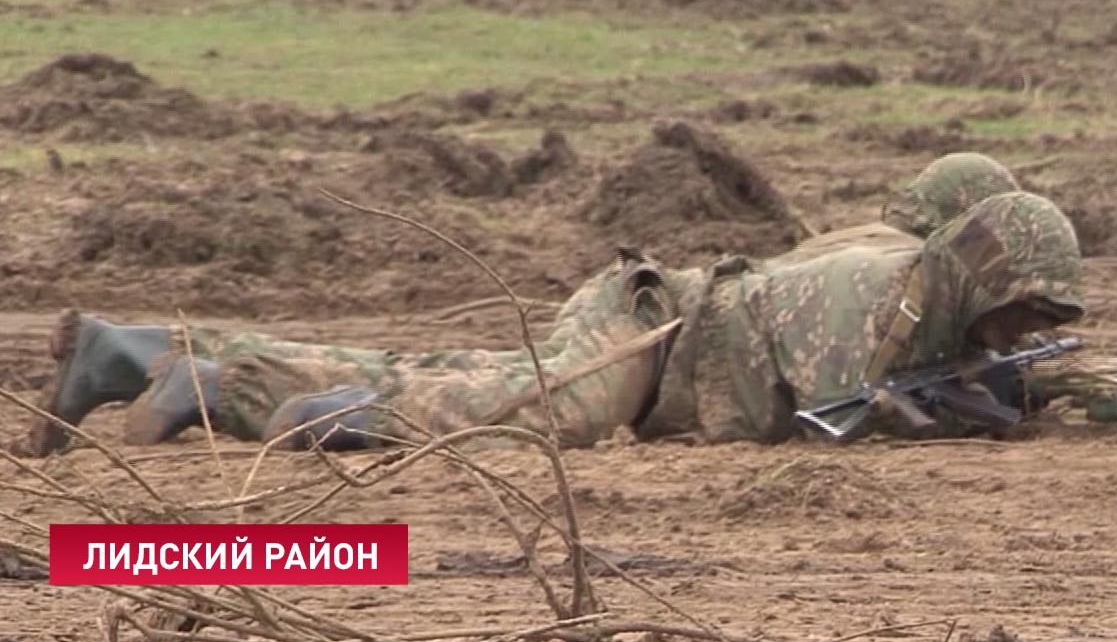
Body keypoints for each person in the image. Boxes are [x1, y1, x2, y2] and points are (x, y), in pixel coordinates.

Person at [20, 154, 1024, 456]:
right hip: (649, 327)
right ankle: (306, 415)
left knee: (440, 378)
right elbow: (836, 400)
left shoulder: (870, 252)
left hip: (650, 323)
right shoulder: (881, 280)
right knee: (526, 416)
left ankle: (144, 353)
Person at [228, 192, 1086, 451]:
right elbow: (839, 419)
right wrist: (972, 417)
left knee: (461, 373)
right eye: (1021, 314)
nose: (1017, 335)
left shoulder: (926, 307)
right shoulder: (874, 297)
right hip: (656, 330)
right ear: (983, 279)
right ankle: (327, 418)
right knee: (533, 414)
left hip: (665, 367)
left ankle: (192, 365)